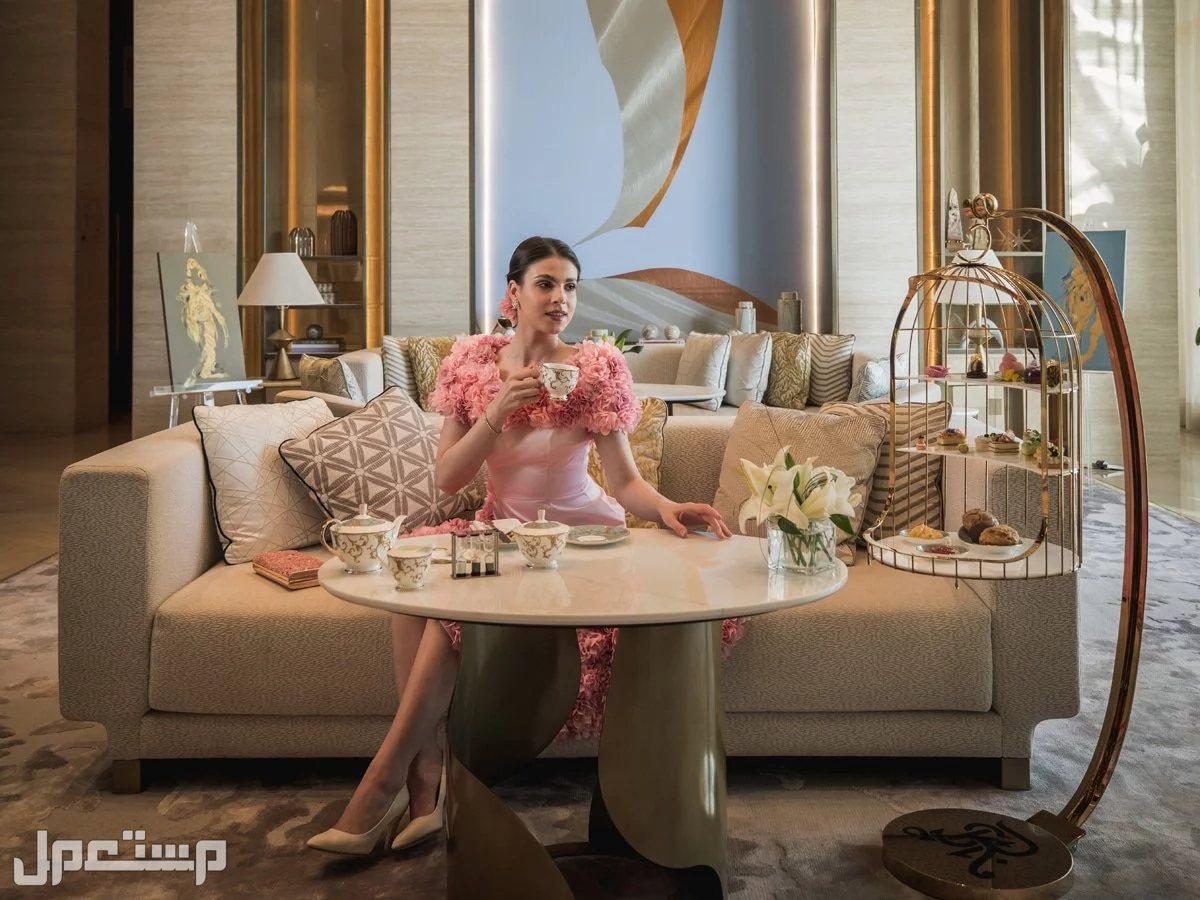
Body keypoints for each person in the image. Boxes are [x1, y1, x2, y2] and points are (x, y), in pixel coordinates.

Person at [307, 236, 733, 857]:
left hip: (583, 542)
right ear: (513, 293)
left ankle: (386, 785)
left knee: (448, 617)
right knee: (411, 592)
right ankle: (426, 780)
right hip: (502, 535)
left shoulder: (596, 368)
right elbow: (447, 477)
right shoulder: (472, 364)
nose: (561, 299)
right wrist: (497, 409)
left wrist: (666, 507)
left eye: (571, 287)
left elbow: (624, 483)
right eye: (546, 284)